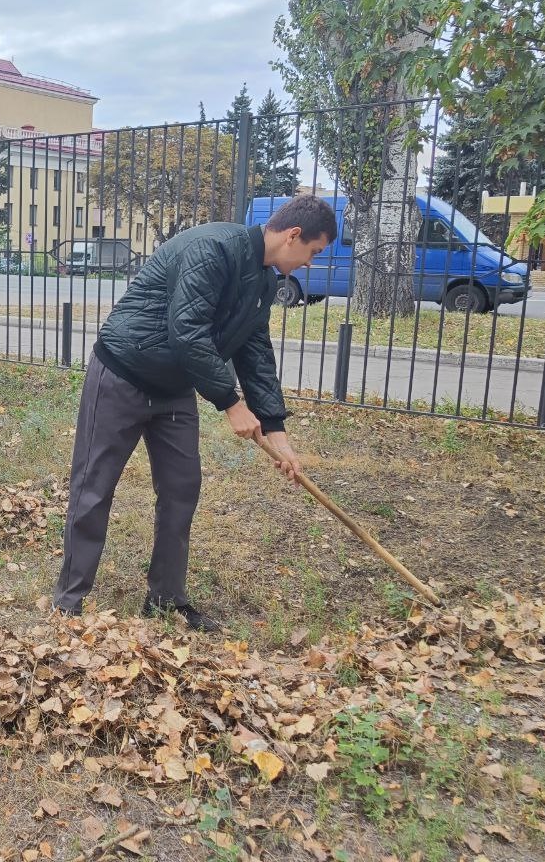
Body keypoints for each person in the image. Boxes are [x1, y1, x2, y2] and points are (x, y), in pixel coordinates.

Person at [51, 195, 337, 629]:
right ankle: (68, 602)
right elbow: (186, 331)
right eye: (313, 253)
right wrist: (231, 403)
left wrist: (278, 433)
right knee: (94, 487)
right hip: (123, 373)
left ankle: (165, 598)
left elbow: (255, 351)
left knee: (182, 488)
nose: (310, 264)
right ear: (293, 235)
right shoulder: (213, 249)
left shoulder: (262, 281)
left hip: (175, 389)